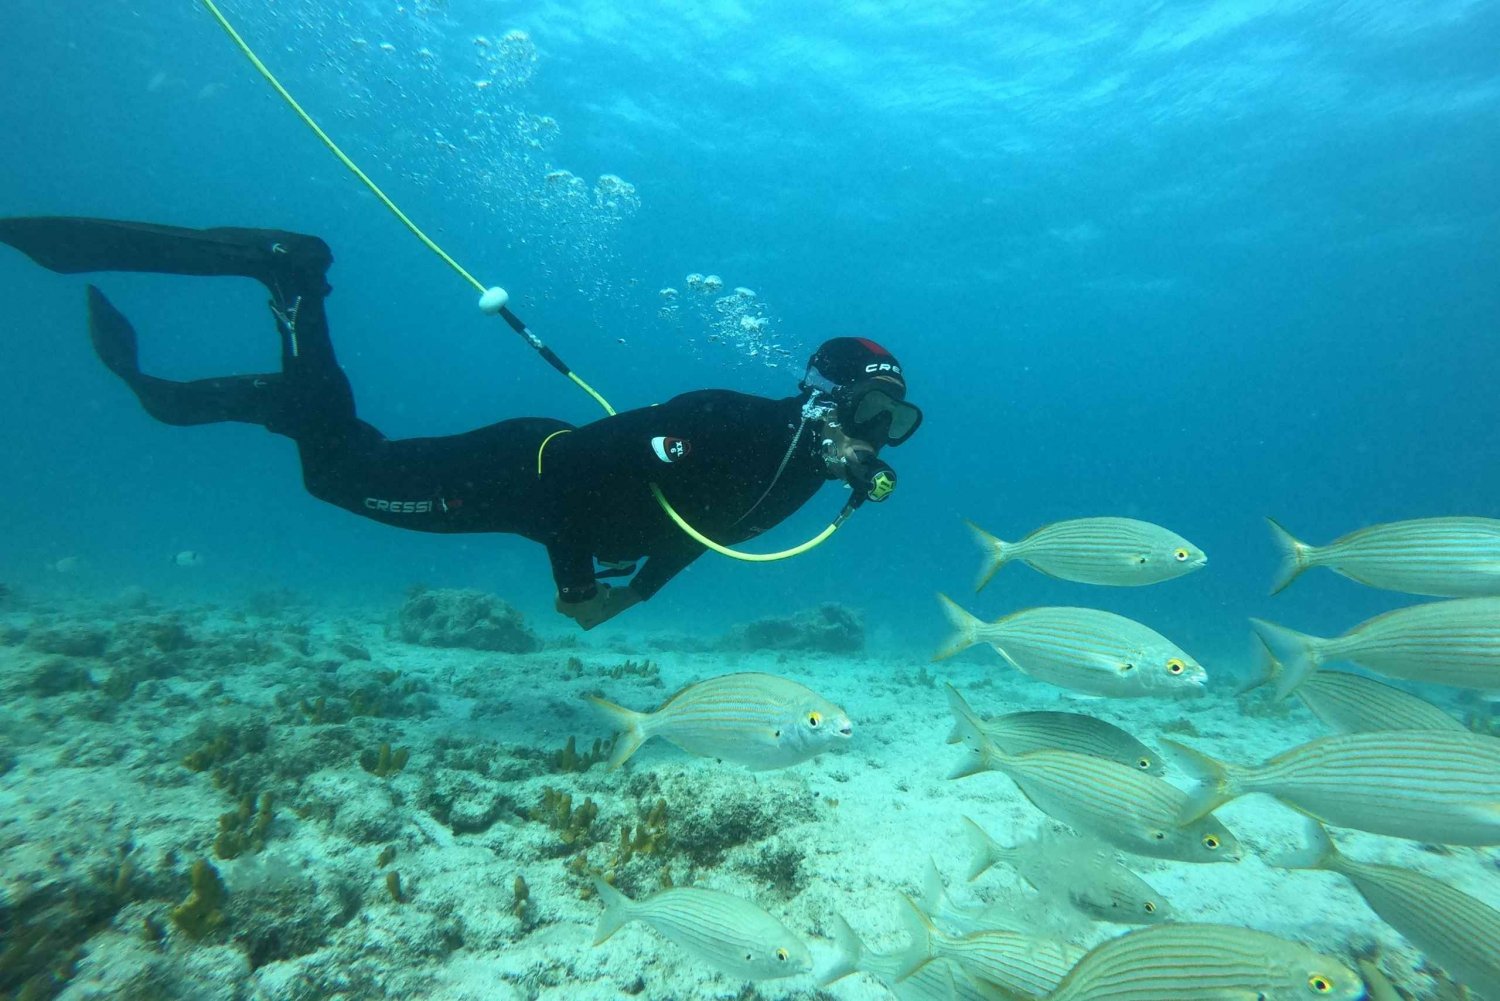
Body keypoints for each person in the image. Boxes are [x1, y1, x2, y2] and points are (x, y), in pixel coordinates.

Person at [0, 217, 922, 629]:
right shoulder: (728, 420)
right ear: (822, 394)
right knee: (335, 473)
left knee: (337, 453)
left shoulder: (802, 477)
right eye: (870, 412)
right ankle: (292, 279)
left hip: (544, 497)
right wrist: (573, 589)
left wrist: (634, 598)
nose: (878, 437)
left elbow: (711, 532)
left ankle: (276, 380)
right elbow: (570, 475)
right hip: (518, 471)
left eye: (896, 421)